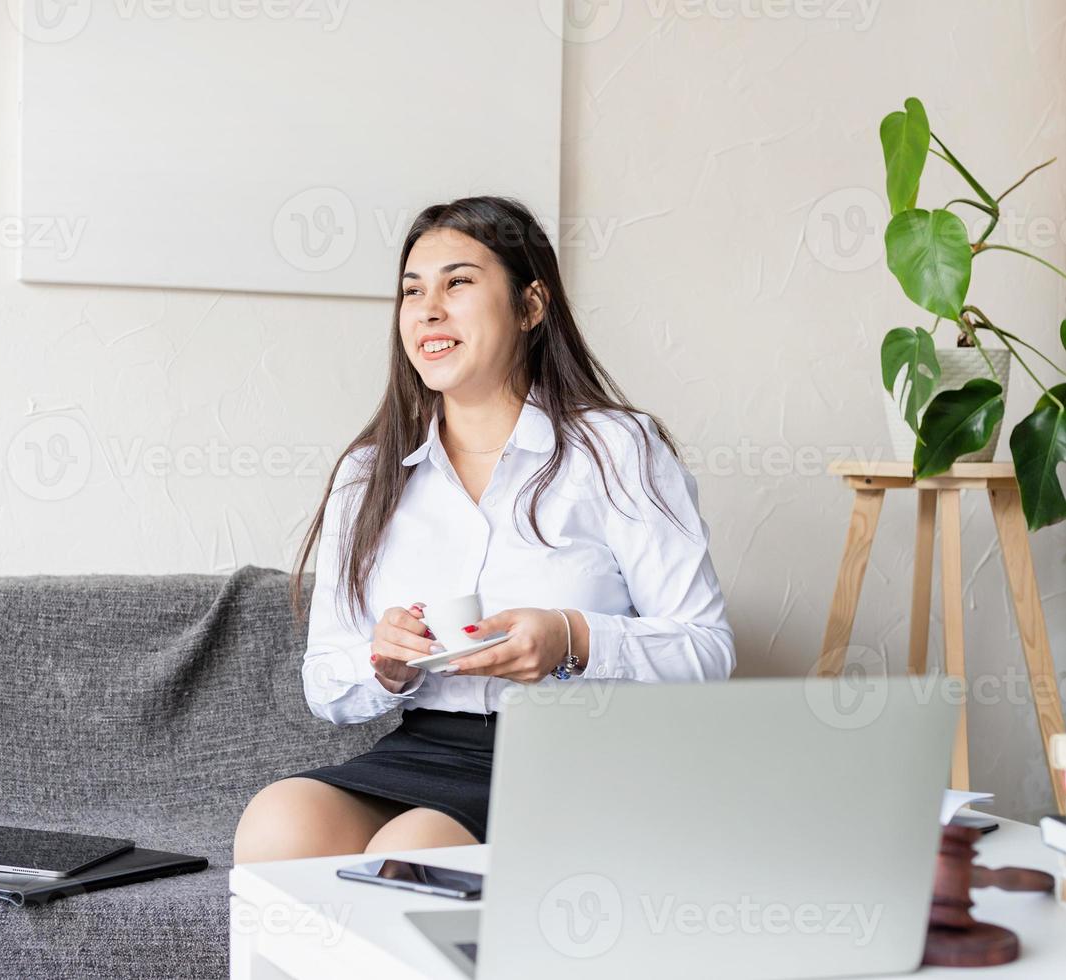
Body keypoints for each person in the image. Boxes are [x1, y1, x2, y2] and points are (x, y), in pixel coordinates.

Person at [232, 195, 735, 863]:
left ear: (530, 306)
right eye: (412, 291)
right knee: (276, 822)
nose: (428, 309)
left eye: (458, 282)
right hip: (426, 745)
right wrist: (382, 664)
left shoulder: (617, 449)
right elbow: (326, 682)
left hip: (576, 753)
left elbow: (707, 652)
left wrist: (571, 640)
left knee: (409, 850)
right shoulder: (370, 471)